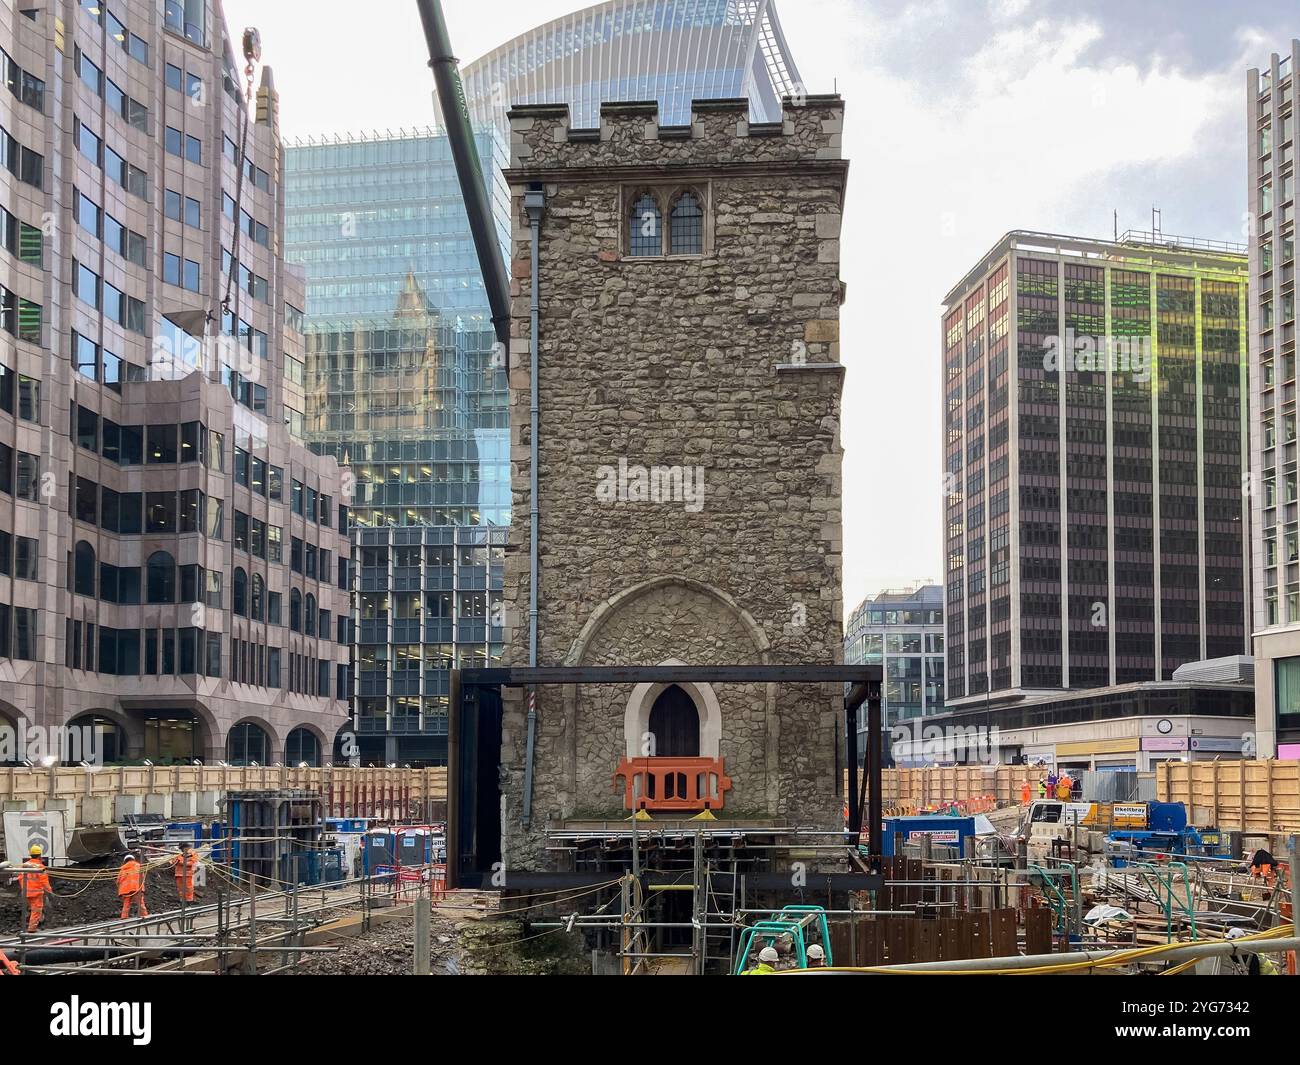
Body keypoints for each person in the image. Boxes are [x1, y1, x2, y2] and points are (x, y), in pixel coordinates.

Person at [18, 845, 52, 932]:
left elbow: (20, 878)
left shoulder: (24, 865)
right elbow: (44, 881)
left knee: (30, 909)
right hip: (36, 893)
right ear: (40, 855)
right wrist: (50, 891)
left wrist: (24, 889)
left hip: (26, 892)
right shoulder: (40, 867)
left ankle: (27, 924)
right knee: (36, 910)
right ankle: (32, 929)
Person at [116, 853, 149, 919]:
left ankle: (124, 918)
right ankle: (145, 916)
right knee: (140, 904)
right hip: (136, 888)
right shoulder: (138, 866)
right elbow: (142, 877)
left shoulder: (122, 869)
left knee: (126, 905)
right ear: (133, 859)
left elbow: (118, 881)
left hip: (125, 890)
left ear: (125, 861)